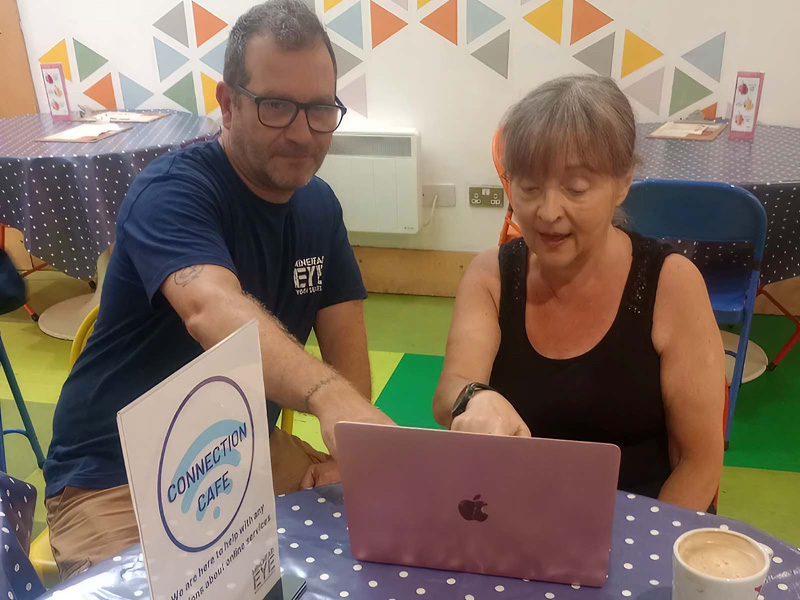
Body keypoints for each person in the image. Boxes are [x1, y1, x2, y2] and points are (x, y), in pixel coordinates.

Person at [43, 0, 393, 580]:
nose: (303, 133)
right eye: (277, 107)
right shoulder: (172, 191)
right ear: (227, 103)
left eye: (320, 109)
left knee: (380, 551)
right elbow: (211, 307)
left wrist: (346, 455)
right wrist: (328, 397)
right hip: (116, 476)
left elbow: (345, 336)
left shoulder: (320, 205)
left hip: (236, 452)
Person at [433, 75, 725, 511]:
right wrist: (476, 397)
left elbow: (699, 462)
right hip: (515, 517)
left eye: (577, 189)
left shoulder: (671, 284)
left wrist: (640, 560)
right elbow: (449, 393)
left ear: (622, 182)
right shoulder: (490, 276)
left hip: (640, 528)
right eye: (529, 187)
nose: (548, 212)